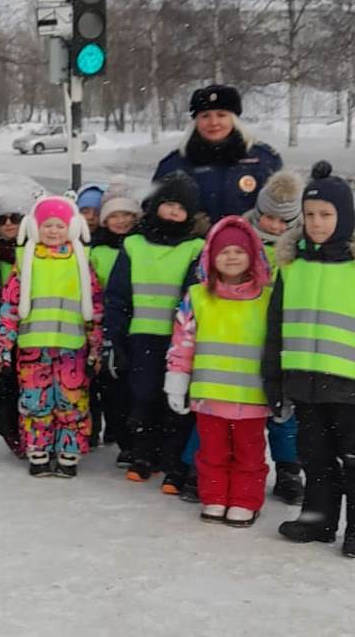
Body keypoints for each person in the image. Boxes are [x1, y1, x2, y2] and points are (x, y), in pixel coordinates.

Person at [263, 162, 355, 560]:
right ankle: (318, 520)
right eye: (310, 215)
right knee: (314, 455)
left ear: (344, 216)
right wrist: (273, 381)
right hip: (306, 385)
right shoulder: (291, 266)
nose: (316, 223)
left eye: (326, 214)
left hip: (352, 386)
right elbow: (275, 330)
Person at [165, 216, 272, 526]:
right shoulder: (197, 296)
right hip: (209, 395)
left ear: (253, 255)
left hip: (252, 397)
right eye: (224, 251)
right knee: (212, 451)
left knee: (249, 454)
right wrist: (177, 379)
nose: (232, 257)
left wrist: (282, 388)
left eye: (239, 251)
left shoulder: (267, 299)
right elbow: (183, 340)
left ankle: (244, 500)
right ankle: (214, 497)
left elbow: (278, 345)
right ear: (211, 257)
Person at [104, 172, 203, 492]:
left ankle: (174, 461)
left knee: (174, 400)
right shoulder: (134, 244)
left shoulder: (195, 248)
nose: (173, 213)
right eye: (168, 205)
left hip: (179, 341)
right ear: (156, 206)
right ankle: (143, 454)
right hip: (141, 335)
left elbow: (195, 294)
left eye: (181, 208)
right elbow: (118, 294)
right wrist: (117, 335)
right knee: (143, 397)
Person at [0, 196, 103, 478]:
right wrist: (3, 345)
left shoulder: (81, 262)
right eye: (47, 226)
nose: (53, 231)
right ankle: (38, 448)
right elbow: (10, 306)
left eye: (59, 225)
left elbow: (94, 308)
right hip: (33, 348)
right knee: (35, 402)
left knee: (71, 400)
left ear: (72, 227)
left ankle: (69, 448)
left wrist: (96, 347)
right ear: (35, 228)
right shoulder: (26, 262)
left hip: (72, 349)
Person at [242, 169, 305, 505]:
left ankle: (289, 469)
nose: (277, 228)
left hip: (284, 340)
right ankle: (245, 467)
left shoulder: (300, 250)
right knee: (245, 409)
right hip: (242, 338)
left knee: (283, 410)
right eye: (270, 219)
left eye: (286, 222)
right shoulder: (238, 238)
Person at [153, 84, 283, 222]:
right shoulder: (175, 164)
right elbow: (152, 208)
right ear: (196, 121)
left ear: (233, 119)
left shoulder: (264, 159)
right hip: (193, 243)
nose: (213, 122)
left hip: (251, 242)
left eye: (221, 115)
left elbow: (284, 210)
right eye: (205, 116)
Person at [88, 176, 140, 461]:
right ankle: (122, 439)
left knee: (136, 386)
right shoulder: (97, 250)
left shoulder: (141, 246)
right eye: (114, 215)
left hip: (139, 323)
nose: (120, 221)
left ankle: (136, 438)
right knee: (111, 385)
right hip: (108, 325)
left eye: (126, 215)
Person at [0, 192, 27, 457]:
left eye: (15, 218)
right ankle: (9, 430)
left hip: (30, 330)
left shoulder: (36, 251)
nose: (9, 224)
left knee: (29, 385)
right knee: (3, 384)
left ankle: (30, 432)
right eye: (3, 219)